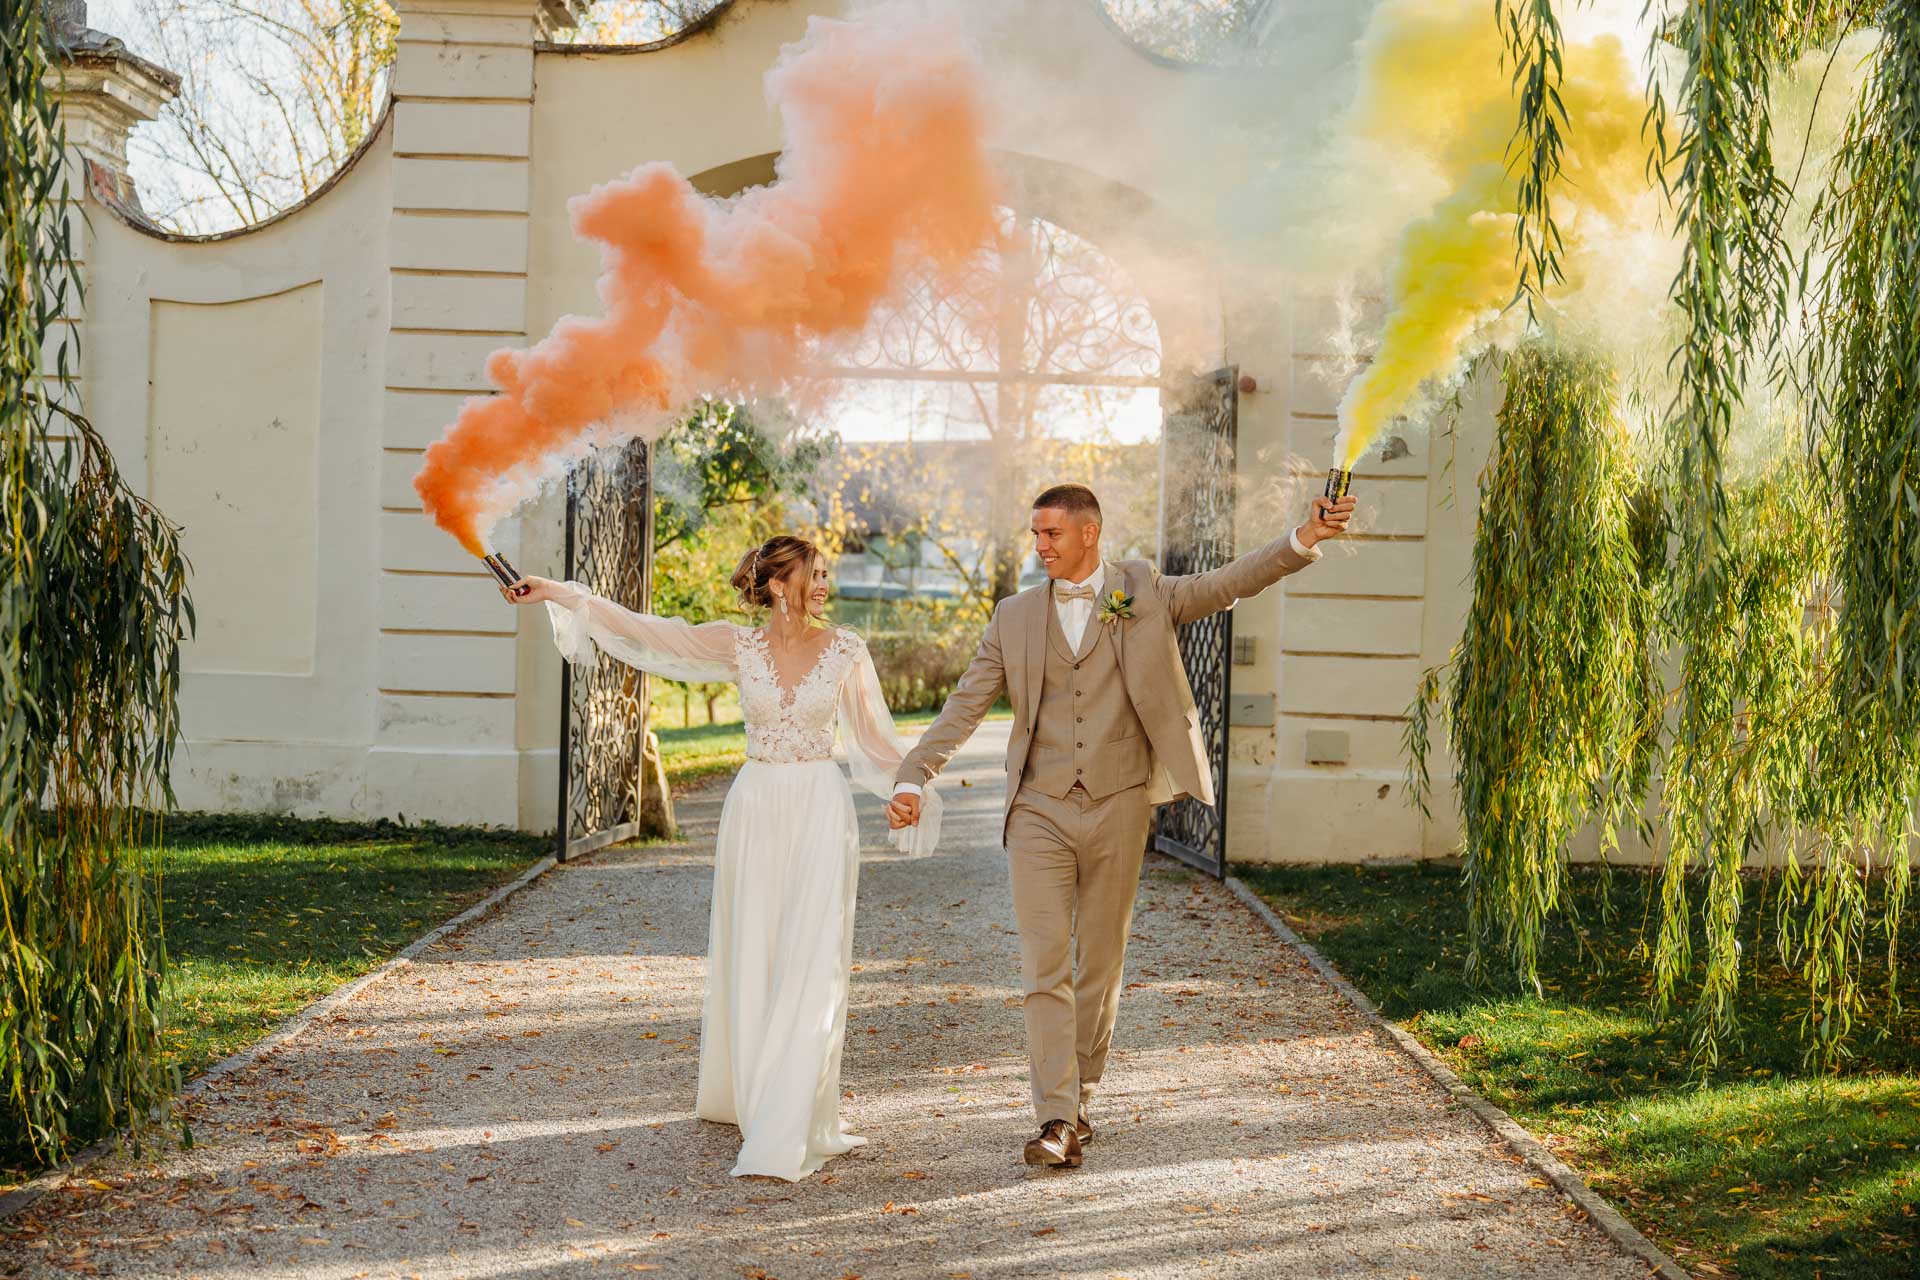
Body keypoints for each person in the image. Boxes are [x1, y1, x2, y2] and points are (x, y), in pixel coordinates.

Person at [887, 483, 1355, 1169]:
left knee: (1100, 964)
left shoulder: (1145, 591)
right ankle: (1055, 1115)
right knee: (1044, 963)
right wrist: (913, 774)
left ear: (1090, 532)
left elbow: (1229, 583)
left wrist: (1303, 538)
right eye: (1035, 533)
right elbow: (966, 703)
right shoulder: (1015, 616)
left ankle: (1080, 1101)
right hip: (1039, 808)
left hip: (1120, 802)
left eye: (1051, 533)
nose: (1040, 546)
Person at [501, 534, 941, 1182]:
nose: (825, 584)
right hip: (755, 807)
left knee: (813, 952)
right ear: (778, 583)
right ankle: (750, 1089)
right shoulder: (739, 646)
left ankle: (790, 1115)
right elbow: (648, 630)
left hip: (820, 807)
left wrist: (909, 789)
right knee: (754, 945)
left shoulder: (847, 650)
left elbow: (877, 741)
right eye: (814, 574)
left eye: (826, 574)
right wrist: (558, 592)